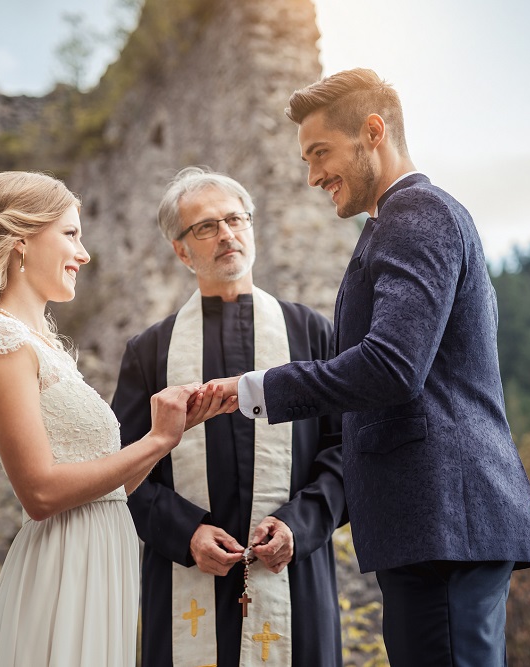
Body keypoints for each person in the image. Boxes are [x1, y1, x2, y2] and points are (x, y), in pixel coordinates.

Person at [208, 69, 530, 666]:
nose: (313, 176)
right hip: (432, 528)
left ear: (373, 132)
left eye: (321, 153)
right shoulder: (398, 221)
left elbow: (391, 367)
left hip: (443, 523)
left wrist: (251, 390)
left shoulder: (415, 214)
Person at [0, 171, 232, 666]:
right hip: (64, 566)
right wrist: (155, 441)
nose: (84, 254)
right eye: (70, 234)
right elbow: (42, 493)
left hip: (100, 558)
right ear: (20, 240)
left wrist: (177, 430)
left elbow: (111, 486)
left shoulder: (43, 346)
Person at [110, 166, 347, 667]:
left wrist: (298, 528)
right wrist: (186, 533)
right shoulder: (149, 352)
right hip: (186, 578)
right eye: (206, 227)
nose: (226, 235)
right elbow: (122, 472)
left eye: (236, 220)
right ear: (181, 249)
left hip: (294, 578)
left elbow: (348, 452)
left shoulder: (312, 335)